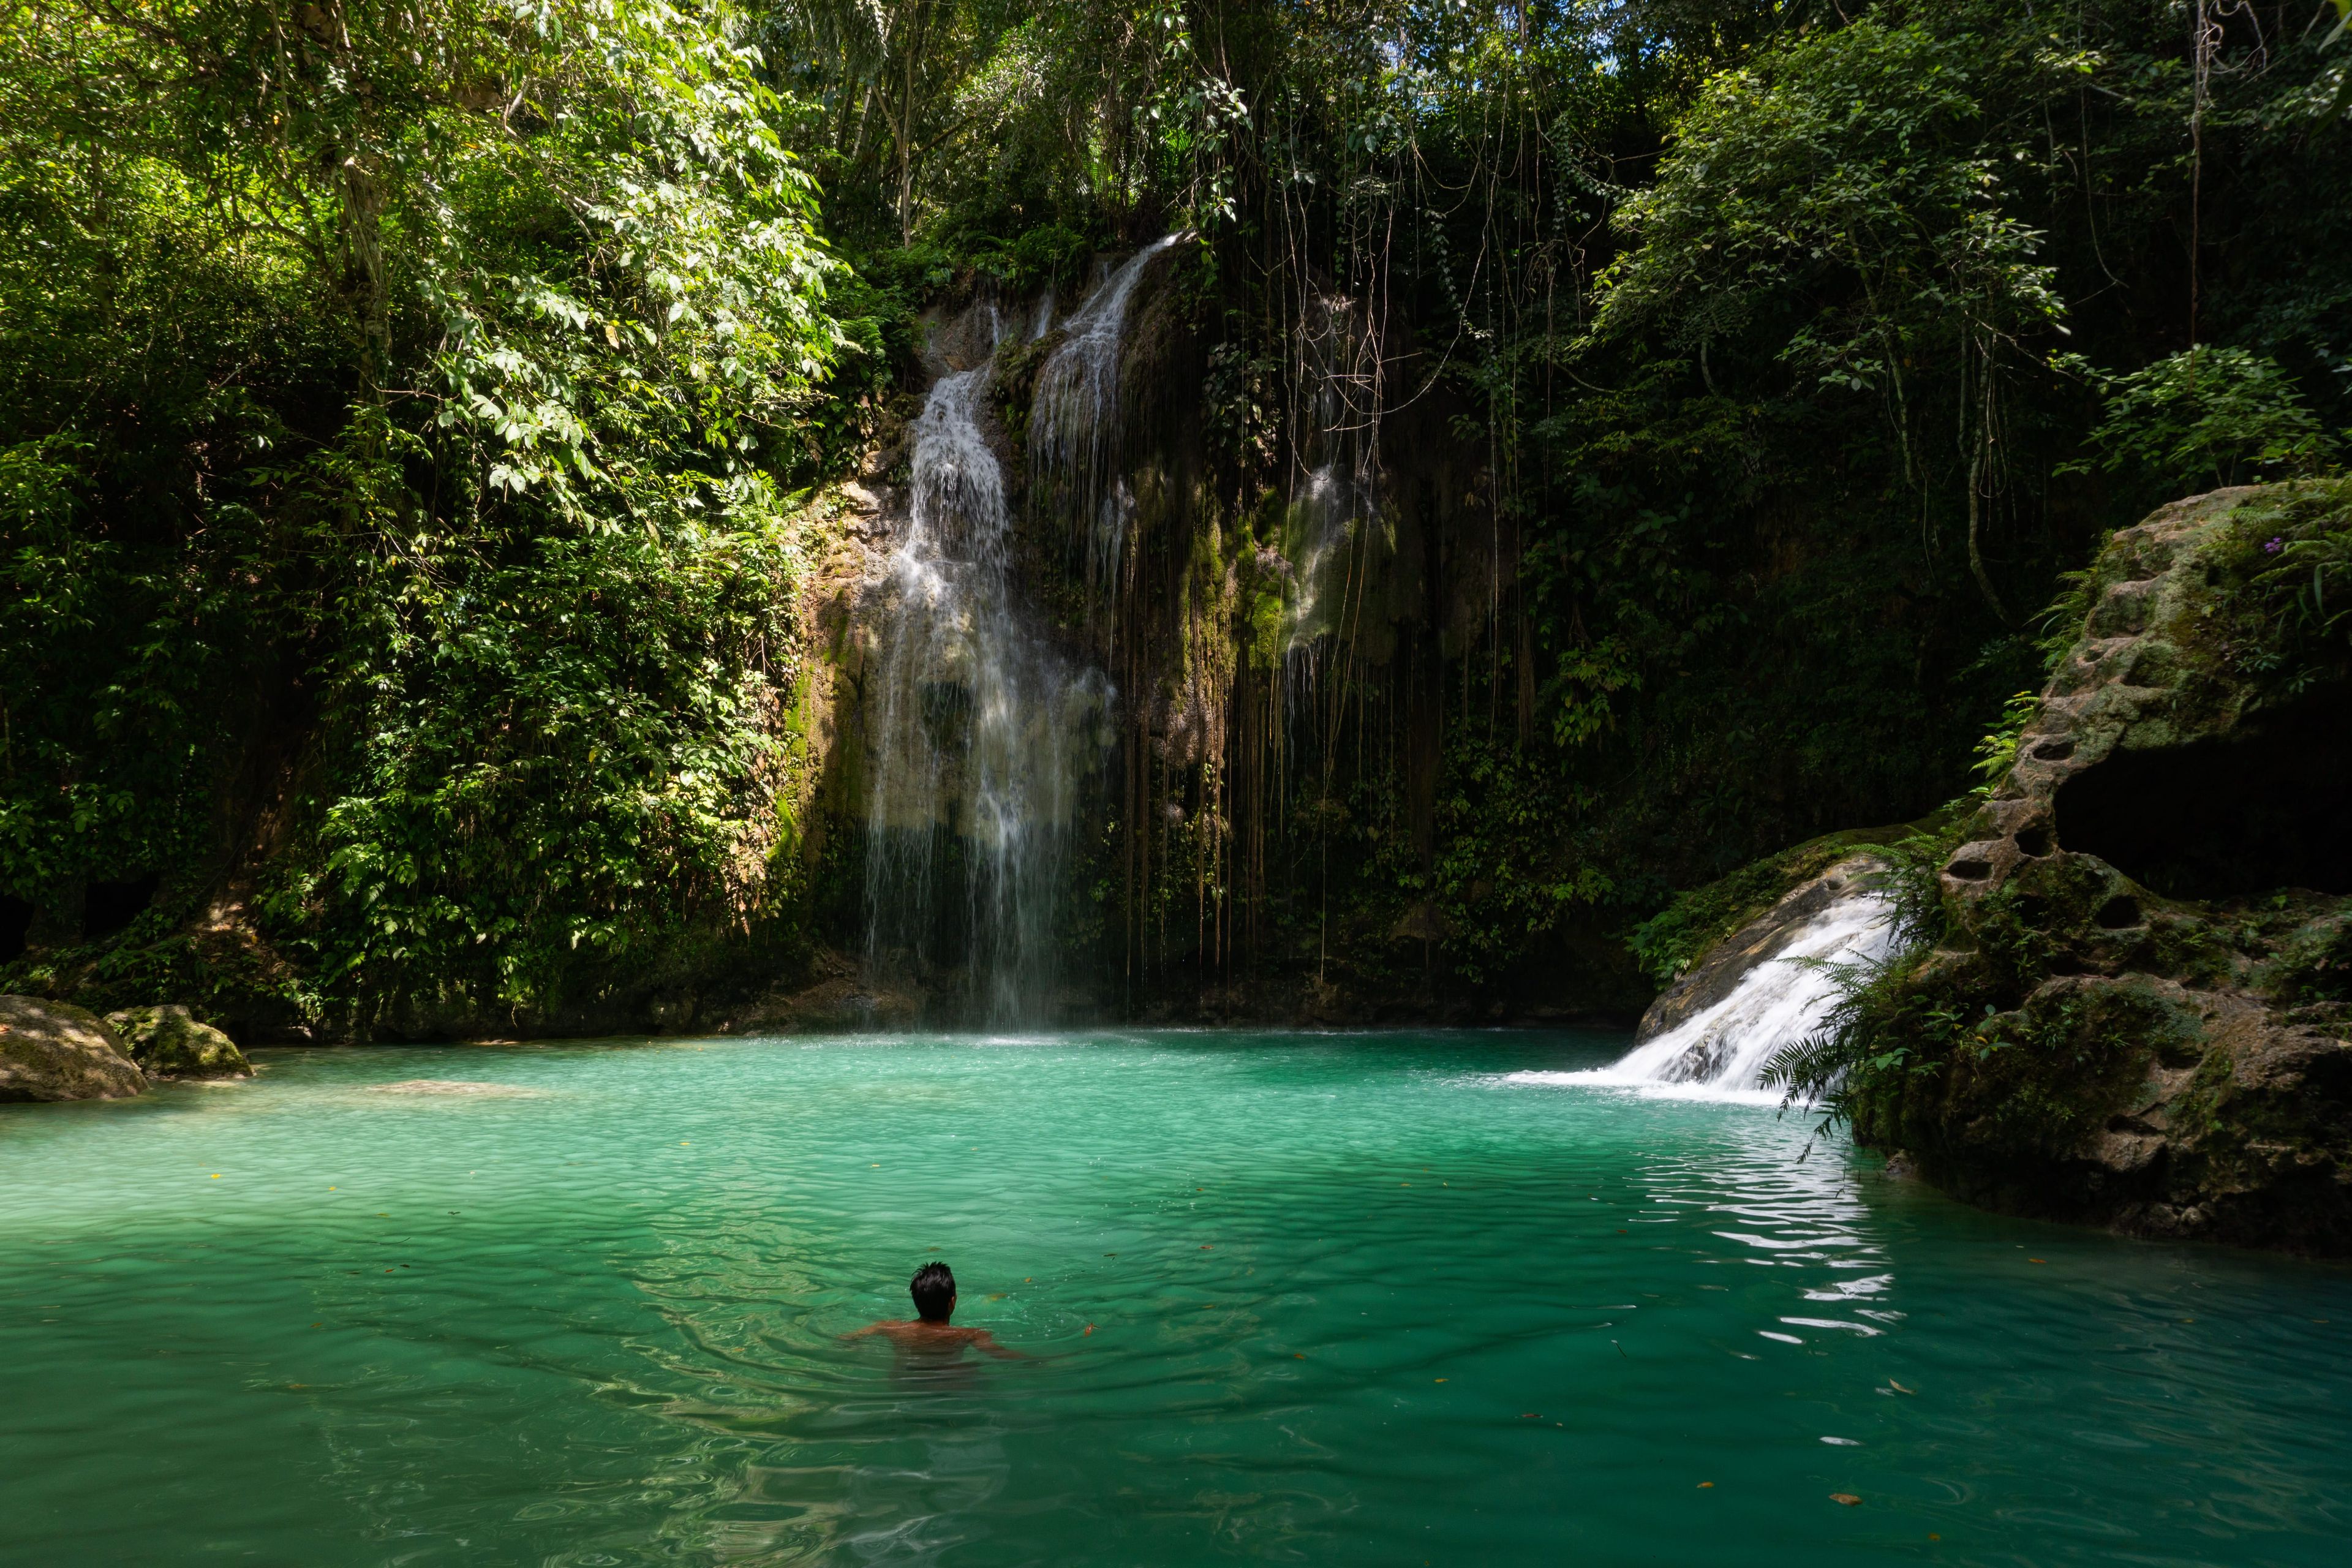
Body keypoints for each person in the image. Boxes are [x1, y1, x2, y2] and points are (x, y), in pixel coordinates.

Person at [845, 1262, 1023, 1360]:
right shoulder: (968, 1334)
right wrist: (1037, 1361)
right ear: (952, 1302)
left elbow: (846, 1339)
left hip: (904, 1383)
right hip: (948, 1386)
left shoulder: (890, 1327)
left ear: (916, 1300)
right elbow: (1000, 1354)